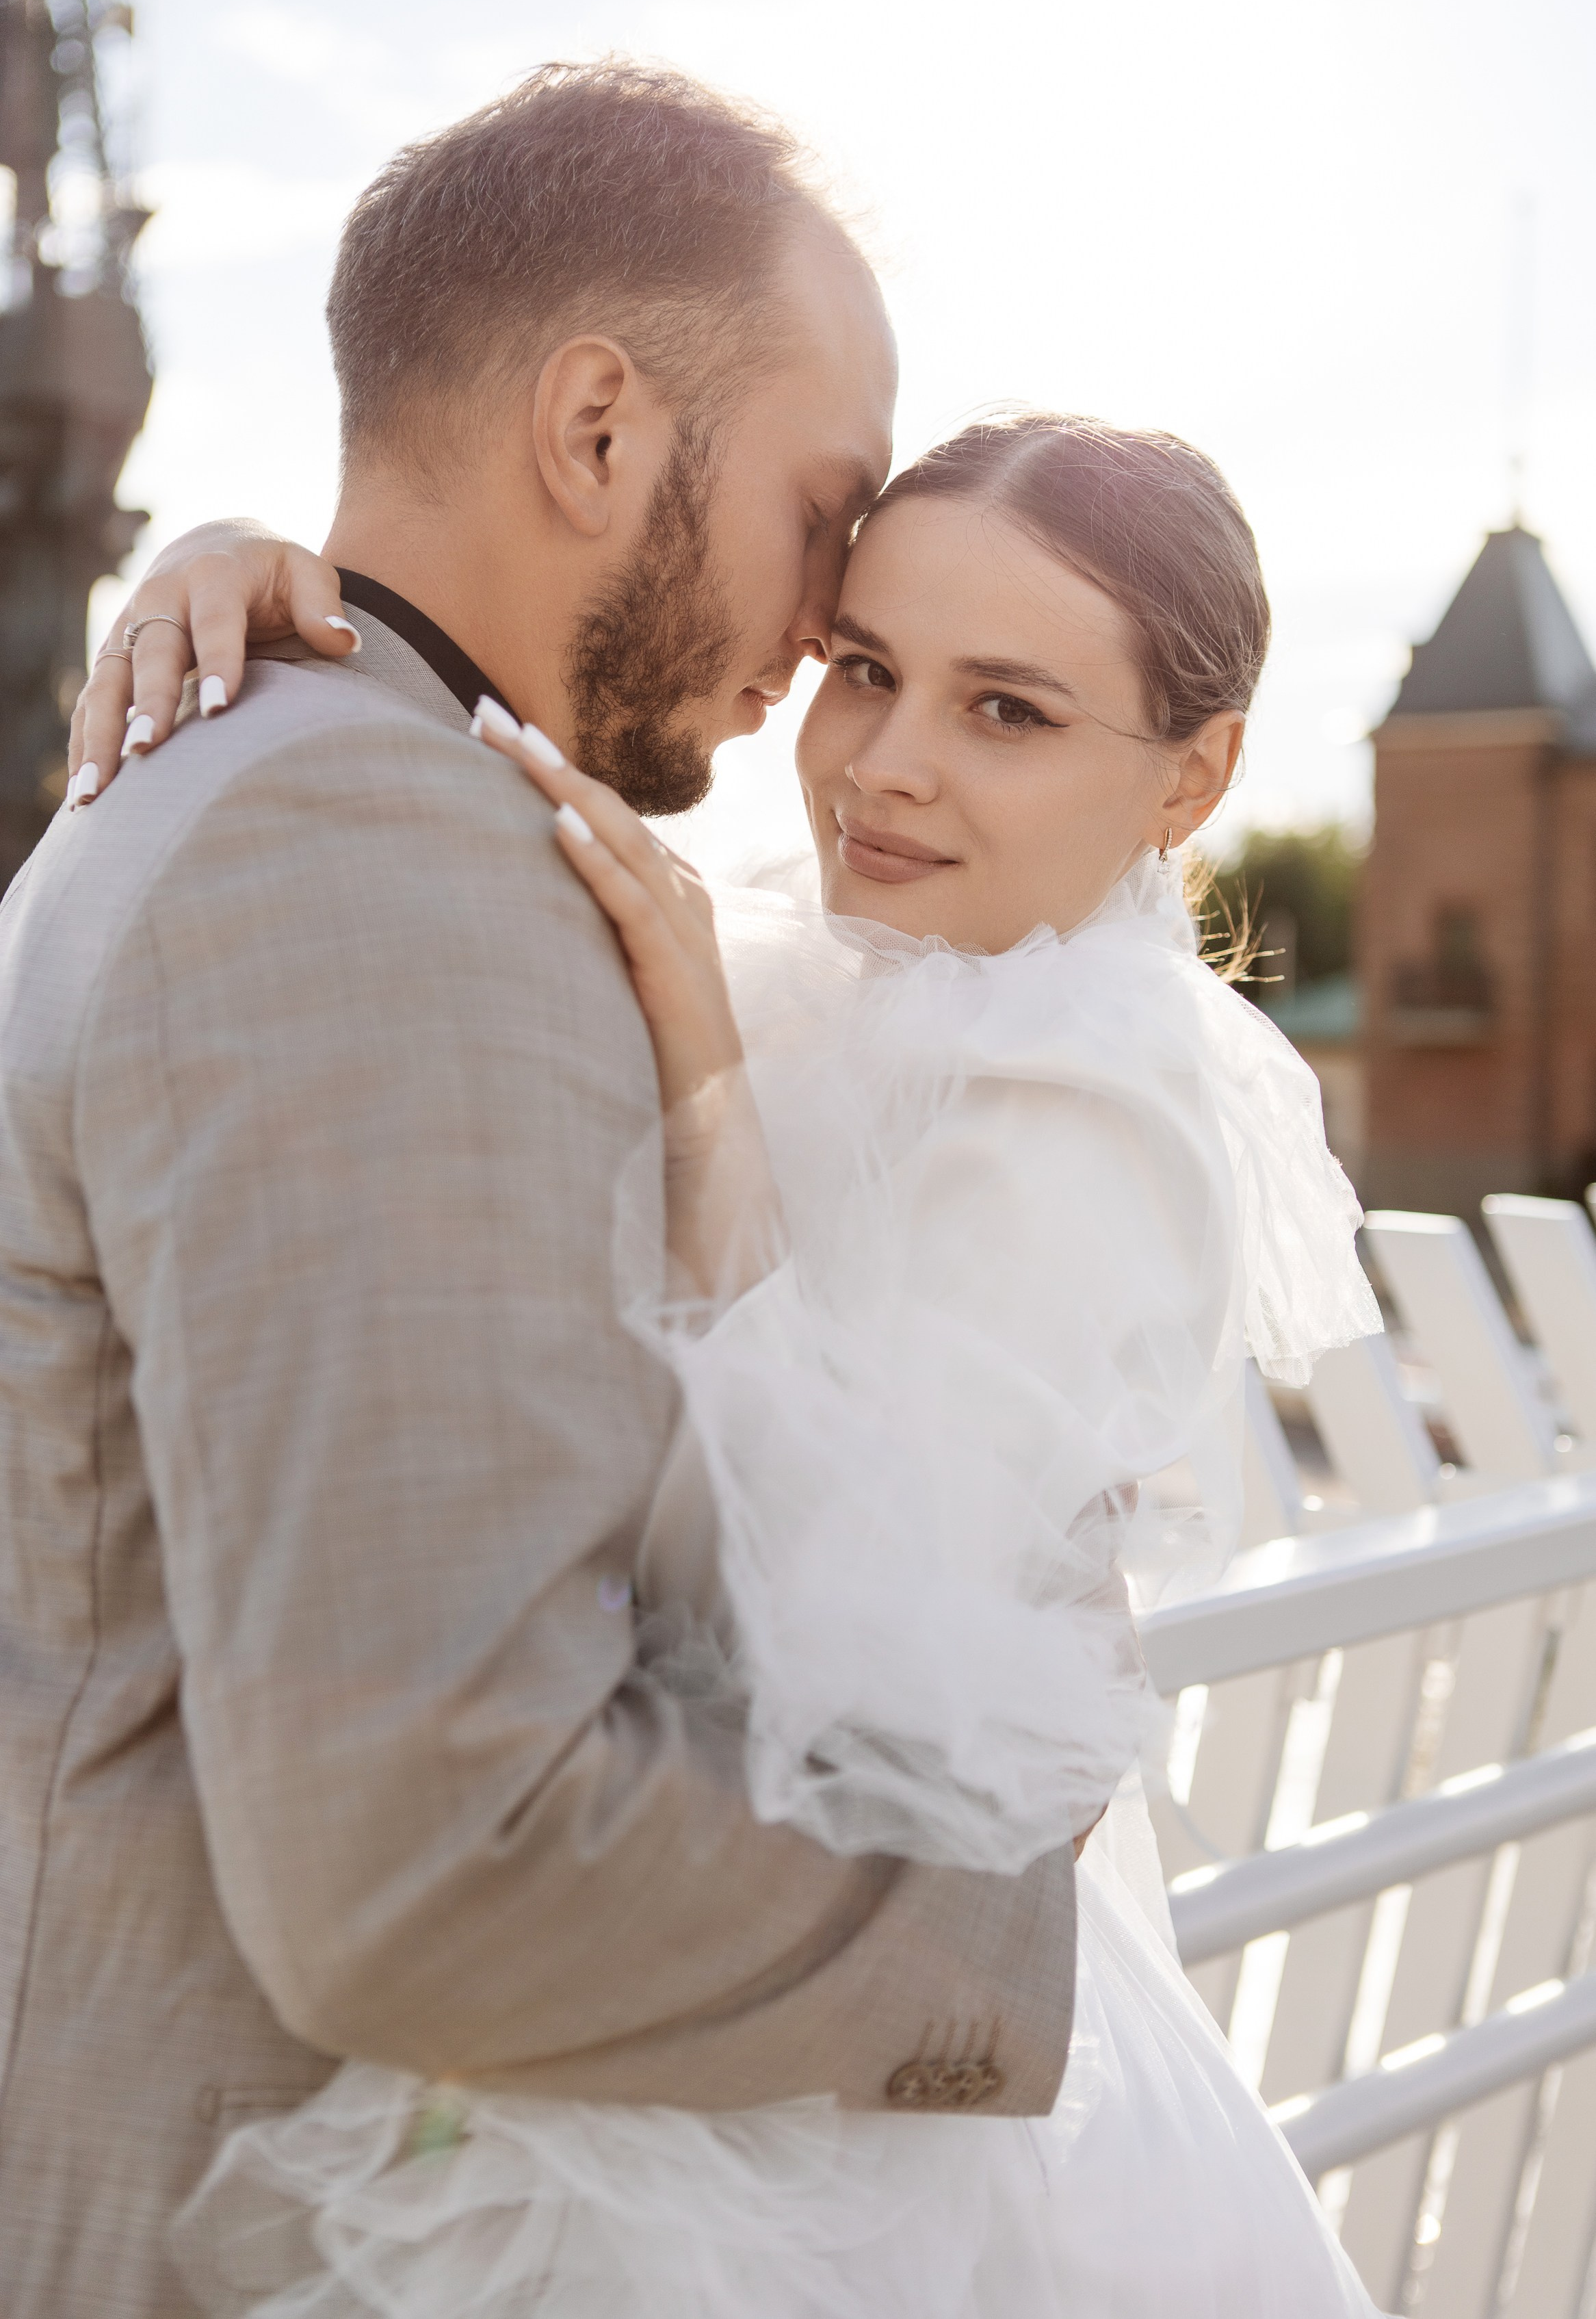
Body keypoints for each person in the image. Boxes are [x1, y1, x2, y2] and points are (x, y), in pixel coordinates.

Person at [66, 415, 1387, 2316]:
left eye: (1006, 711)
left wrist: (705, 1097)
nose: (888, 761)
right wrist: (256, 576)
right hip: (679, 1933)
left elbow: (806, 1626)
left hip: (843, 2092)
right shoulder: (850, 944)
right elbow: (502, 742)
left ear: (1197, 776)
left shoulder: (1092, 1118)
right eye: (864, 667)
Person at [0, 66, 1086, 2319]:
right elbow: (431, 1847)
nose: (837, 611)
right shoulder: (362, 848)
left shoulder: (273, 774)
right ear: (597, 429)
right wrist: (1001, 1926)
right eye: (824, 505)